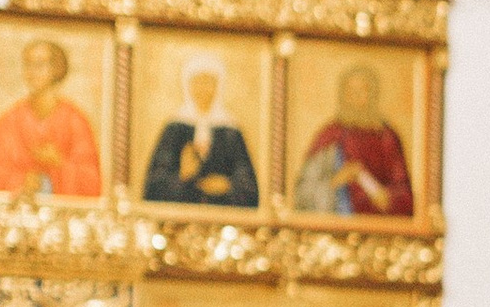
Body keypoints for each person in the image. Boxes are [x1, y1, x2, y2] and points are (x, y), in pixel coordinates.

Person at [0, 37, 102, 199]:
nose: (32, 72)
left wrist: (59, 163)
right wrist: (21, 180)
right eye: (28, 64)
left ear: (56, 68)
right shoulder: (12, 119)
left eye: (39, 65)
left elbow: (92, 181)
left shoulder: (74, 121)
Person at [292, 61, 415, 218]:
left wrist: (388, 199)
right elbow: (302, 196)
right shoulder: (330, 136)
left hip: (381, 230)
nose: (355, 97)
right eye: (350, 91)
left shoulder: (386, 137)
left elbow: (406, 196)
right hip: (336, 227)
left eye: (361, 90)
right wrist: (336, 181)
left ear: (372, 94)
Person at [142, 58, 262, 210]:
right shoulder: (174, 129)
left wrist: (227, 187)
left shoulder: (231, 131)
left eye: (209, 82)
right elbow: (153, 189)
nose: (203, 89)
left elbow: (249, 190)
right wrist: (181, 177)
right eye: (198, 82)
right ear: (188, 85)